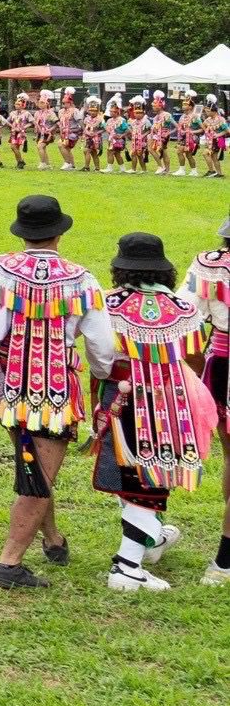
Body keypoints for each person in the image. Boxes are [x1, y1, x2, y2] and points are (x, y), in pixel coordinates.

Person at [0, 194, 110, 590]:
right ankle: (8, 563)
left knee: (32, 461)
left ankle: (52, 538)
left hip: (5, 379)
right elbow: (101, 345)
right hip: (54, 387)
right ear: (60, 232)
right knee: (38, 471)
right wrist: (102, 376)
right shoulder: (81, 278)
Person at [89, 234, 206, 593]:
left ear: (119, 267)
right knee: (153, 476)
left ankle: (144, 544)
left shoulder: (109, 304)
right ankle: (127, 565)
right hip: (169, 401)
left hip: (120, 396)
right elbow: (195, 356)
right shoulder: (183, 308)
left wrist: (106, 381)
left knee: (132, 476)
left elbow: (100, 355)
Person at [184, 215, 230, 586]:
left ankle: (224, 561)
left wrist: (197, 368)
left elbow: (186, 322)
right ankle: (225, 560)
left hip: (222, 364)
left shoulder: (210, 266)